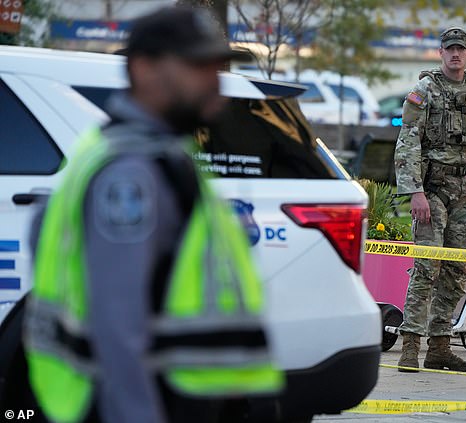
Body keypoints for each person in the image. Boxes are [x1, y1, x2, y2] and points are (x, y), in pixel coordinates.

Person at [23, 6, 282, 423]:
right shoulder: (132, 173)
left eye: (218, 67)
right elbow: (117, 327)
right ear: (144, 69)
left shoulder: (156, 155)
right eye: (199, 67)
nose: (215, 82)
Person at [394, 27, 466, 373]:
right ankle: (410, 346)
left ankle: (439, 348)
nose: (455, 54)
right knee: (426, 267)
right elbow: (407, 142)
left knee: (455, 271)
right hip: (433, 191)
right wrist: (415, 193)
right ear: (441, 52)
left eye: (461, 49)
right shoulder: (425, 90)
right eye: (450, 49)